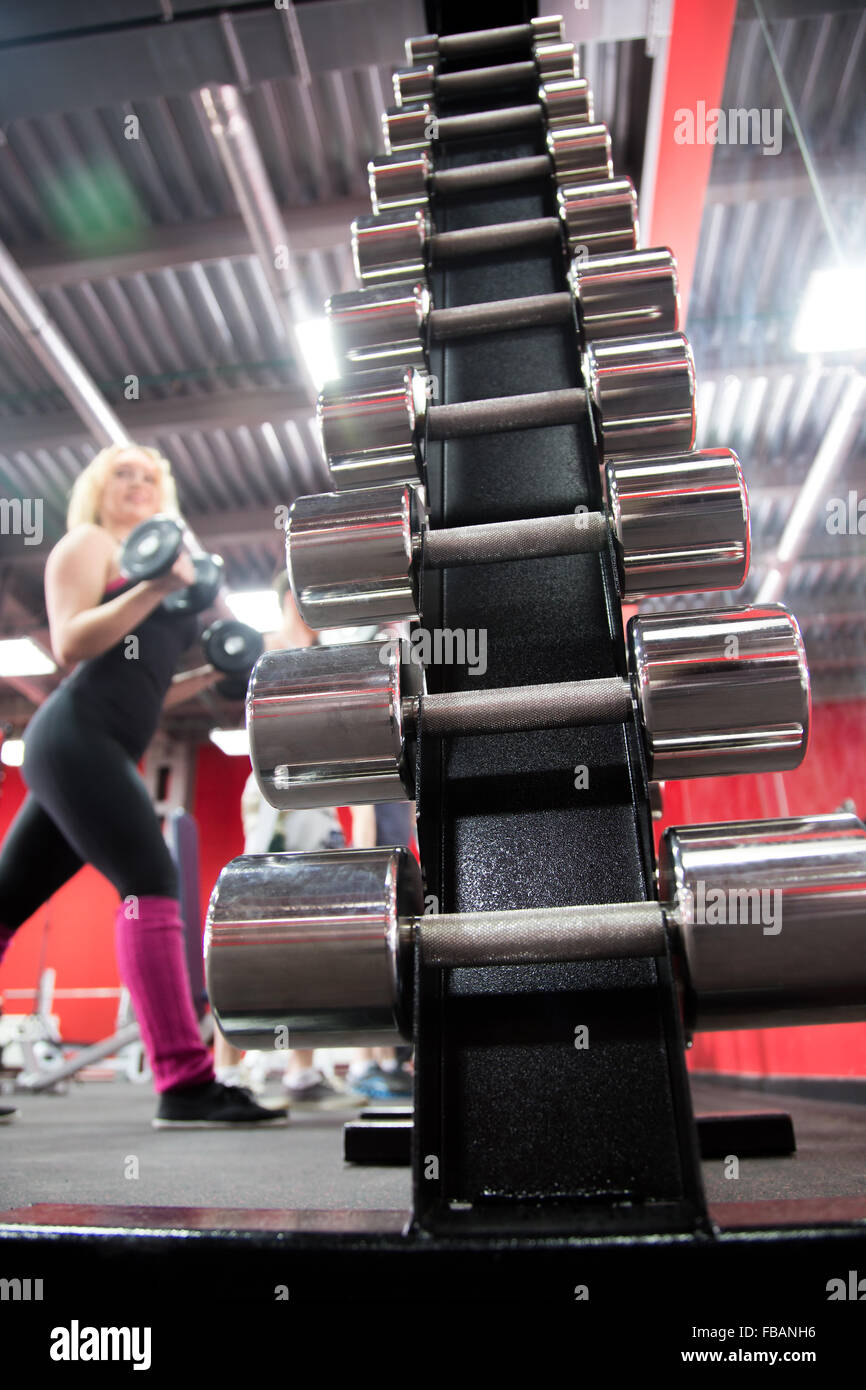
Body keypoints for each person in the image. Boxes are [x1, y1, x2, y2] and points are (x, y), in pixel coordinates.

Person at [0, 443, 286, 1128]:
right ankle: (185, 1083)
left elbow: (145, 686)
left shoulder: (164, 565)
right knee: (150, 881)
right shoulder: (88, 543)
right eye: (122, 473)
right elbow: (71, 645)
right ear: (98, 487)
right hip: (73, 736)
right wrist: (155, 586)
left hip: (104, 740)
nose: (137, 484)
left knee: (5, 903)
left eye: (150, 476)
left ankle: (185, 1082)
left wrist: (206, 679)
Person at [213, 572, 377, 1110]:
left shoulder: (329, 659)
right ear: (292, 599)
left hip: (319, 795)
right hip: (273, 791)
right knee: (254, 922)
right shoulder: (266, 652)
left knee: (310, 932)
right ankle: (228, 1069)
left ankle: (302, 1071)